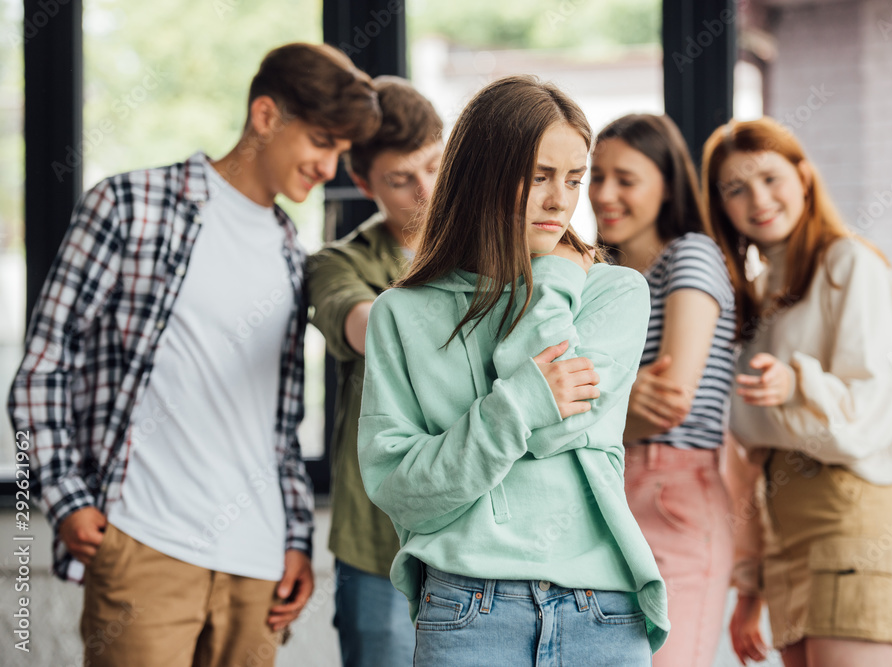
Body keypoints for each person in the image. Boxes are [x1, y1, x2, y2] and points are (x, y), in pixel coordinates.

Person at [7, 43, 380, 667]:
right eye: (321, 141)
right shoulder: (129, 206)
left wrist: (295, 539)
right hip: (145, 546)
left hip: (257, 566)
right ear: (265, 115)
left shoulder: (294, 255)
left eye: (342, 151)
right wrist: (67, 497)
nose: (329, 166)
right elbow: (44, 366)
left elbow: (278, 423)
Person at [356, 75, 670, 665]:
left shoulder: (612, 294)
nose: (562, 201)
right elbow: (401, 489)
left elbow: (560, 427)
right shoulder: (402, 313)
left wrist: (554, 276)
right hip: (469, 612)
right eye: (539, 176)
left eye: (574, 179)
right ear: (481, 175)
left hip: (602, 611)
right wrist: (522, 404)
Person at [701, 117, 892, 667]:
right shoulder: (758, 295)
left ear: (803, 176)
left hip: (850, 516)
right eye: (736, 187)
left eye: (770, 177)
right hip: (786, 530)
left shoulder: (850, 265)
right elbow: (752, 460)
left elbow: (876, 410)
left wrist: (797, 382)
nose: (758, 199)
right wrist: (749, 587)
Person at [589, 113, 737, 667]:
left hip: (671, 489)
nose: (604, 193)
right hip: (604, 490)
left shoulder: (691, 254)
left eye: (626, 179)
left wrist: (601, 407)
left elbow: (671, 400)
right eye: (596, 176)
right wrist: (619, 407)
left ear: (668, 183)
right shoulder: (601, 278)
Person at [307, 75, 444, 667]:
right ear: (363, 183)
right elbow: (365, 325)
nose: (427, 189)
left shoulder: (508, 250)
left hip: (477, 540)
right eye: (401, 179)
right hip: (376, 543)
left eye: (436, 166)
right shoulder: (339, 263)